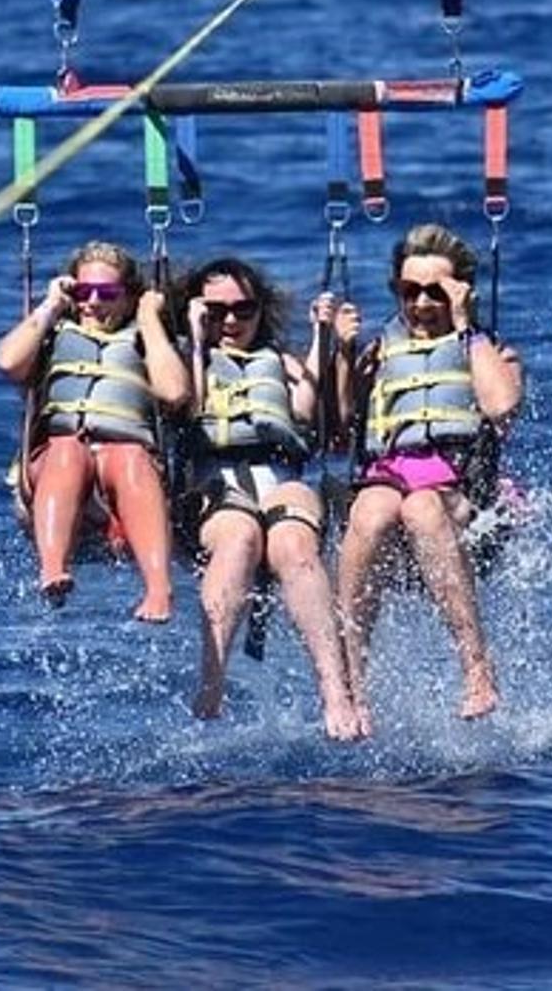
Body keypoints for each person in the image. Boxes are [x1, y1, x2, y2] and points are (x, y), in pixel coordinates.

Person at [332, 223, 524, 732]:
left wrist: (465, 326)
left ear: (459, 291)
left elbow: (502, 406)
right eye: (408, 291)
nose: (420, 304)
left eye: (434, 292)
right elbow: (336, 428)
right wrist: (343, 355)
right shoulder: (378, 354)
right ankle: (352, 684)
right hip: (386, 482)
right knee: (371, 511)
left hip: (460, 495)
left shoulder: (489, 351)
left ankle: (477, 668)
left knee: (420, 506)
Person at [177, 258, 365, 741]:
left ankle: (334, 689)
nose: (231, 321)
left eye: (244, 309)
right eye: (216, 311)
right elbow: (190, 407)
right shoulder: (182, 360)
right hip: (216, 483)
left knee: (293, 545)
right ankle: (212, 682)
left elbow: (305, 412)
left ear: (261, 311)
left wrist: (323, 338)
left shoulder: (280, 362)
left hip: (283, 476)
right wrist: (196, 341)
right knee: (240, 537)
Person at [0, 240, 188, 622]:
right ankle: (52, 568)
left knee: (129, 457)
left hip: (126, 469)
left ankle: (158, 589)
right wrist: (51, 306)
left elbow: (175, 392)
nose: (94, 302)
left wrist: (150, 318)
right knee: (69, 450)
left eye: (107, 293)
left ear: (129, 297)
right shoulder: (52, 338)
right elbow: (7, 363)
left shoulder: (146, 341)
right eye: (84, 291)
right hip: (57, 467)